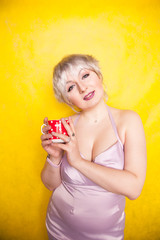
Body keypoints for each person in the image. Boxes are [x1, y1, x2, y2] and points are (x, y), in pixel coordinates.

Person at [40, 54, 146, 240]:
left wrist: (78, 161)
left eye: (85, 75)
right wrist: (54, 157)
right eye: (71, 87)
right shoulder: (66, 126)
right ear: (68, 100)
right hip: (58, 228)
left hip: (105, 235)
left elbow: (134, 189)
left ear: (99, 75)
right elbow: (50, 185)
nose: (82, 88)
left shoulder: (128, 120)